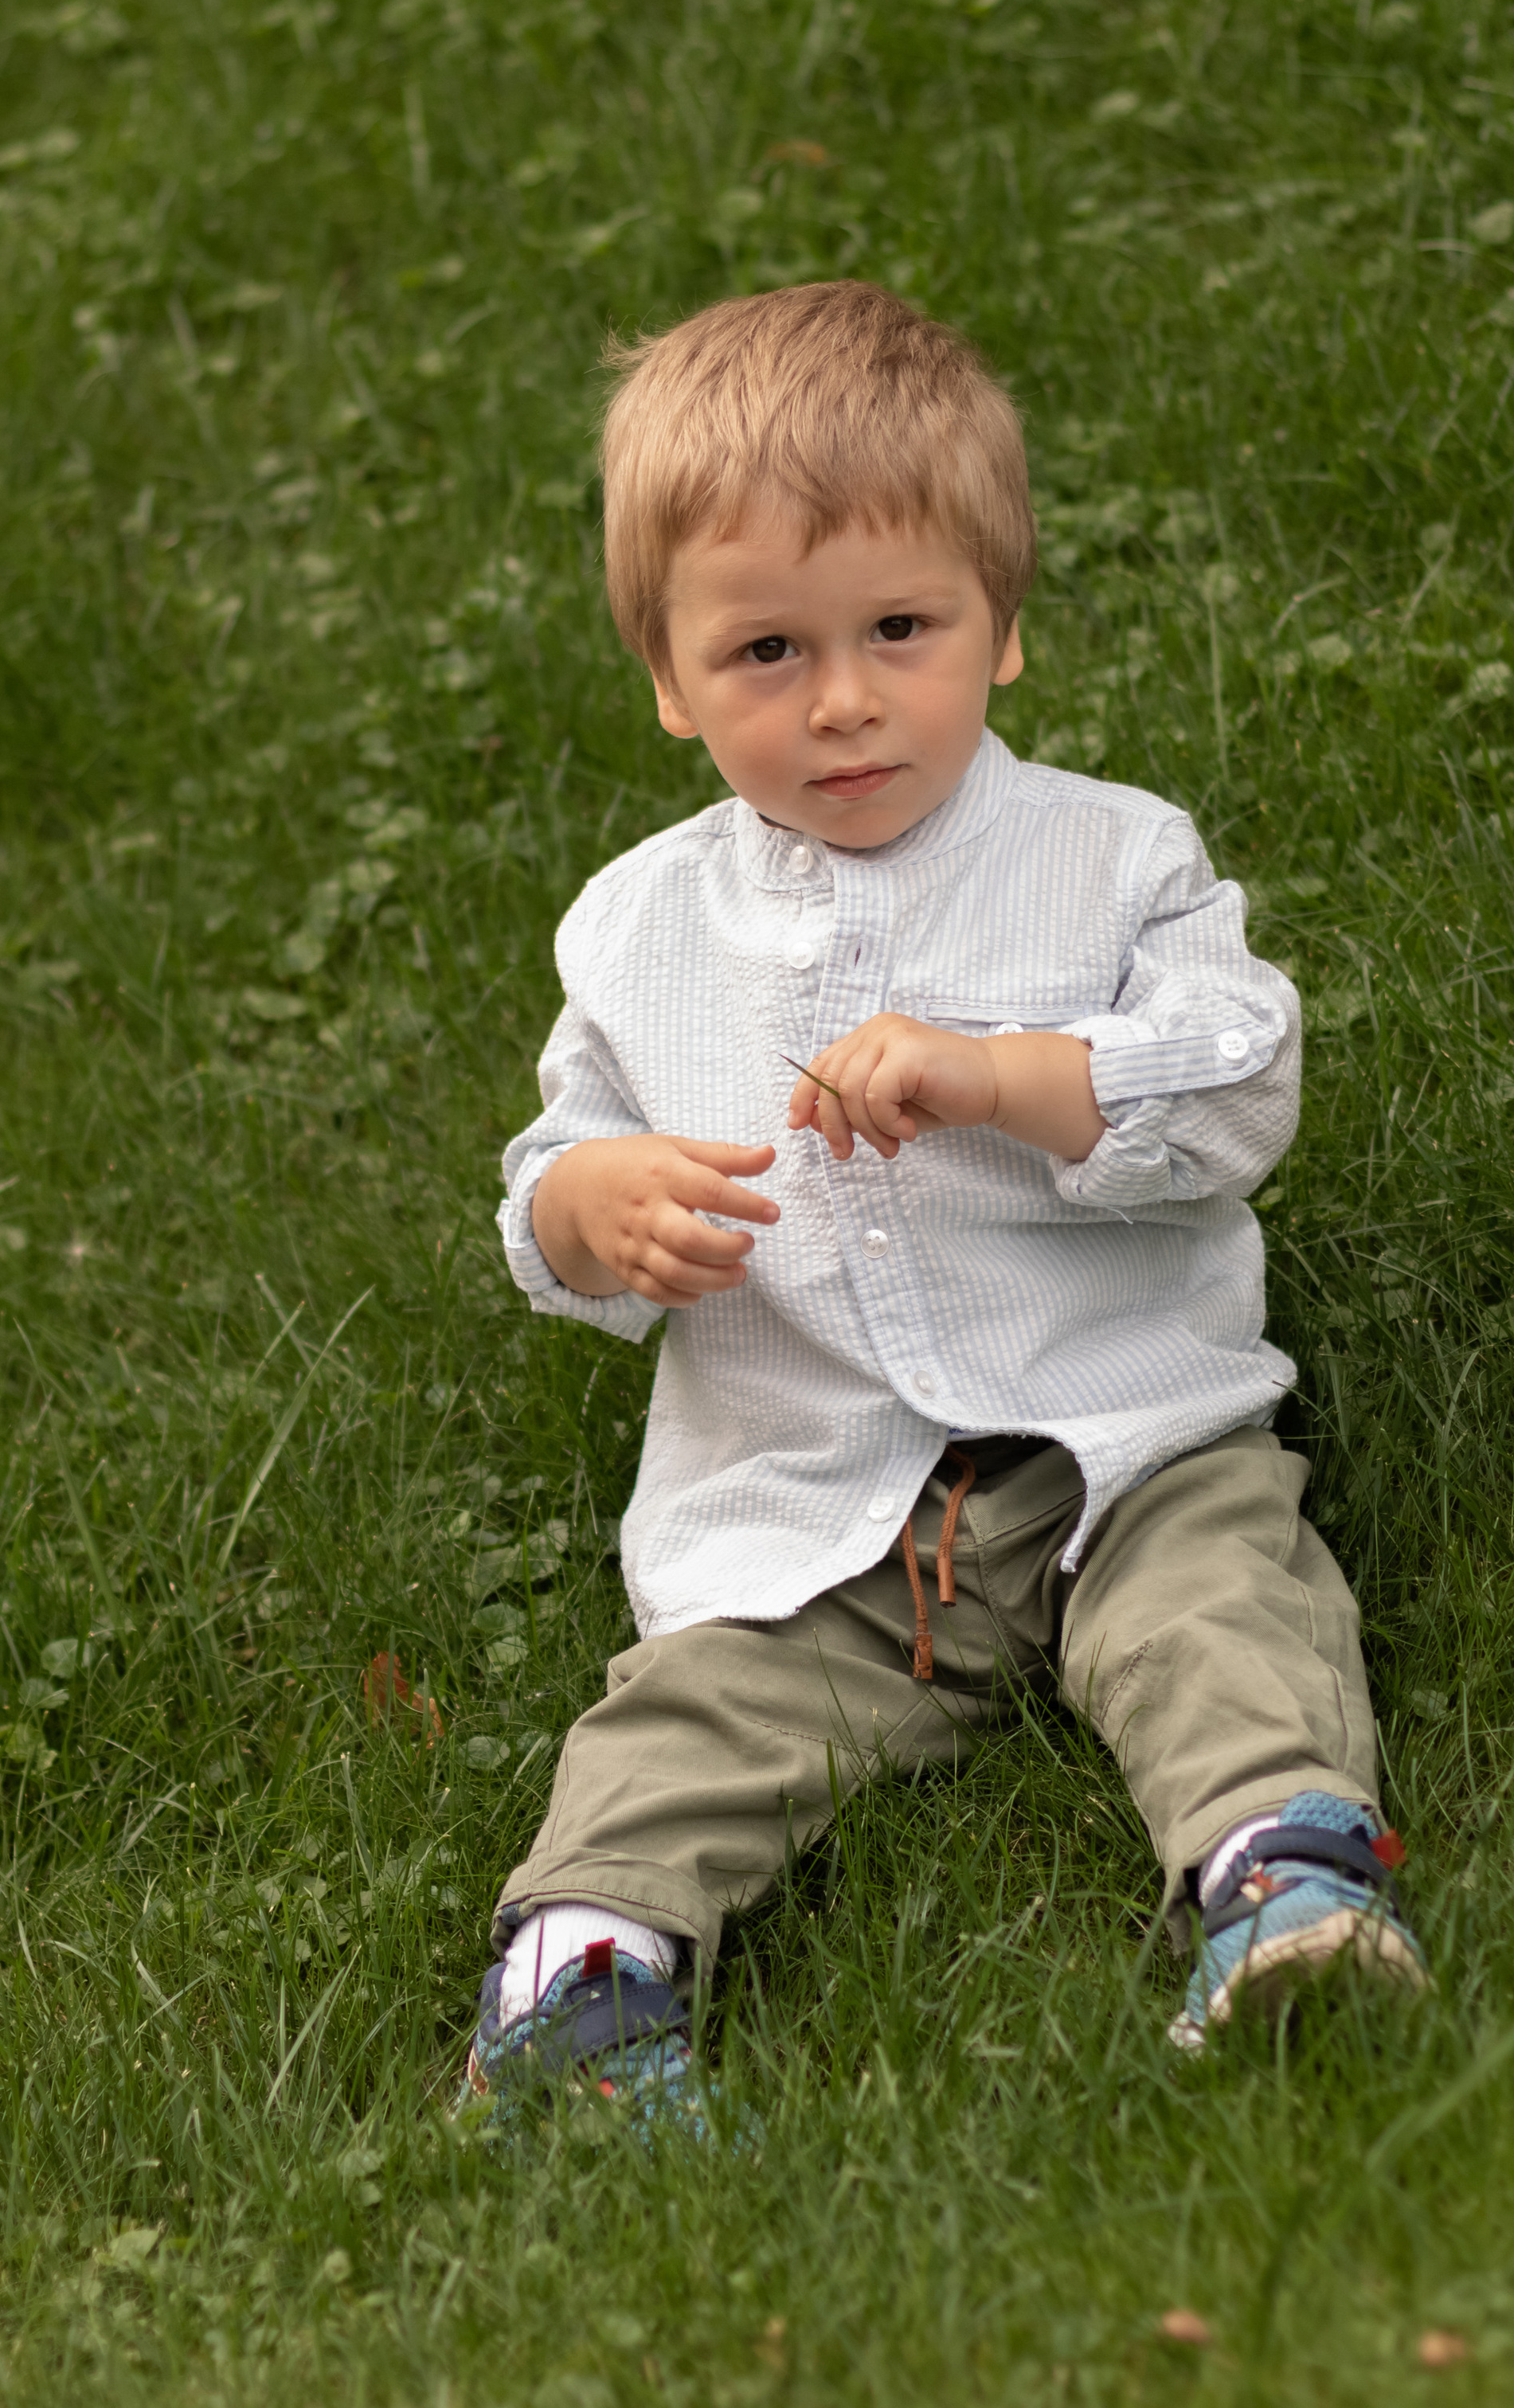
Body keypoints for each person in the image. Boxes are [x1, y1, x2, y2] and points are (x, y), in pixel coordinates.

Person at [468, 278, 1425, 2113]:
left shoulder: (1108, 859)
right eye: (764, 654)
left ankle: (1283, 1894)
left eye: (897, 627)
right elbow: (550, 1169)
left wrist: (1002, 1076)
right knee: (683, 1718)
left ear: (995, 629)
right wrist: (599, 1210)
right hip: (818, 1515)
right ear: (666, 678)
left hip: (1114, 1445)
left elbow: (1235, 1079)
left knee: (1222, 1608)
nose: (841, 702)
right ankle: (582, 1983)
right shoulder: (640, 928)